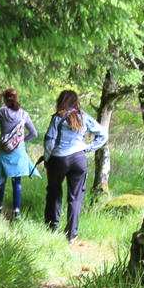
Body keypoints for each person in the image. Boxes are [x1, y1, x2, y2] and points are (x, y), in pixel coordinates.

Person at [43, 89, 107, 242]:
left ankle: (52, 227)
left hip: (59, 160)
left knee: (54, 192)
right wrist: (88, 147)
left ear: (61, 101)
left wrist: (47, 158)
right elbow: (103, 134)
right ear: (76, 101)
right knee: (76, 197)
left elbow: (49, 141)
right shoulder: (84, 117)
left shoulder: (58, 117)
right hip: (79, 159)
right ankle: (71, 235)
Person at [0, 88, 40, 220]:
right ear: (16, 98)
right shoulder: (24, 114)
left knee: (2, 178)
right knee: (17, 181)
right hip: (18, 151)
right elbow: (34, 133)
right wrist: (20, 141)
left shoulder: (1, 112)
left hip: (3, 150)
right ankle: (16, 212)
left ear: (5, 99)